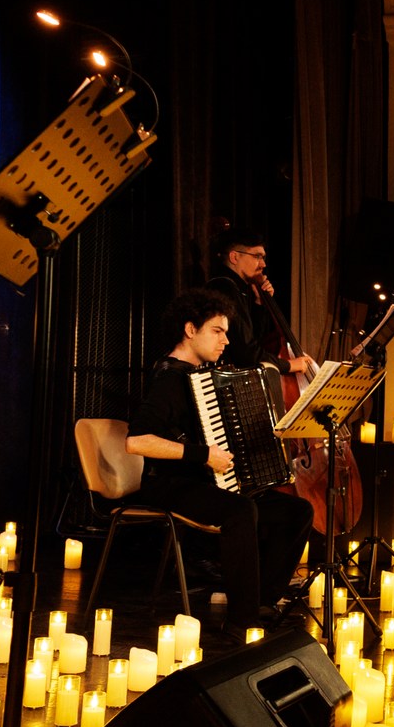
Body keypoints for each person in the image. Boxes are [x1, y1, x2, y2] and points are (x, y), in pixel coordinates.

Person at [126, 289, 318, 623]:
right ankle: (243, 619)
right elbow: (136, 442)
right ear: (190, 330)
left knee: (297, 510)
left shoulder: (203, 375)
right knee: (240, 510)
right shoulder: (170, 378)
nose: (226, 341)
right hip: (168, 483)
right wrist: (203, 455)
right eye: (217, 331)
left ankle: (262, 600)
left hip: (206, 481)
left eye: (226, 332)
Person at [204, 229, 314, 374]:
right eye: (257, 256)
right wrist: (289, 365)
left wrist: (259, 304)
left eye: (263, 257)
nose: (263, 264)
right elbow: (246, 353)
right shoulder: (225, 288)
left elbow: (254, 341)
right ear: (234, 257)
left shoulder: (239, 289)